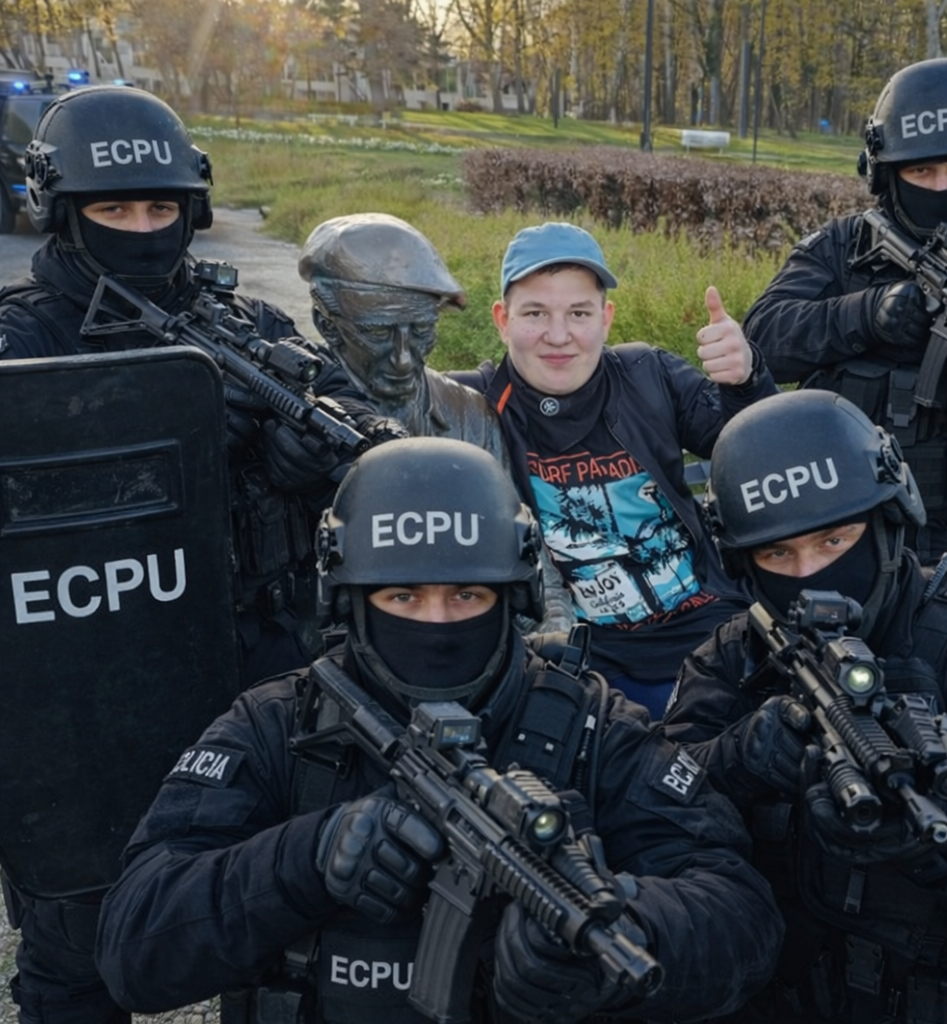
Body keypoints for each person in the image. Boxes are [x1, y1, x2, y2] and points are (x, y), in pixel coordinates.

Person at [94, 436, 783, 1024]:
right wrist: (303, 859)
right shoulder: (279, 725)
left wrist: (628, 928)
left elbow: (740, 912)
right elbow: (132, 947)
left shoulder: (593, 727)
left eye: (466, 594)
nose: (437, 623)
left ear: (511, 597)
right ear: (348, 601)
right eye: (402, 596)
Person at [0, 84, 356, 1024]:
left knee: (274, 923)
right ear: (61, 209)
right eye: (114, 210)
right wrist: (156, 433)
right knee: (81, 941)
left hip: (254, 671)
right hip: (90, 686)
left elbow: (363, 430)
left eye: (161, 208)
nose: (142, 230)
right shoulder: (21, 339)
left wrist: (308, 460)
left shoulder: (248, 327)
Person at [663, 388, 947, 1023]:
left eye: (834, 541)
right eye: (778, 553)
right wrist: (734, 761)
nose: (808, 574)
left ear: (886, 524)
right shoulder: (731, 658)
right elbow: (654, 808)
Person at [450, 220, 778, 717]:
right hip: (581, 661)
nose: (558, 335)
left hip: (711, 632)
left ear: (606, 319)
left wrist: (746, 379)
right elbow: (381, 399)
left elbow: (756, 450)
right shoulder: (469, 406)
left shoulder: (650, 375)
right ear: (502, 319)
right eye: (535, 313)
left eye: (578, 313)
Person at [743, 57, 947, 599]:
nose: (942, 187)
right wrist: (862, 315)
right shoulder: (845, 245)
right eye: (920, 172)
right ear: (886, 173)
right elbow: (762, 338)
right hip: (836, 535)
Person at [297, 211, 572, 631]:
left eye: (422, 330)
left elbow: (522, 550)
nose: (404, 358)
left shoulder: (468, 414)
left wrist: (553, 628)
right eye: (378, 332)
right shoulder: (295, 419)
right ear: (325, 325)